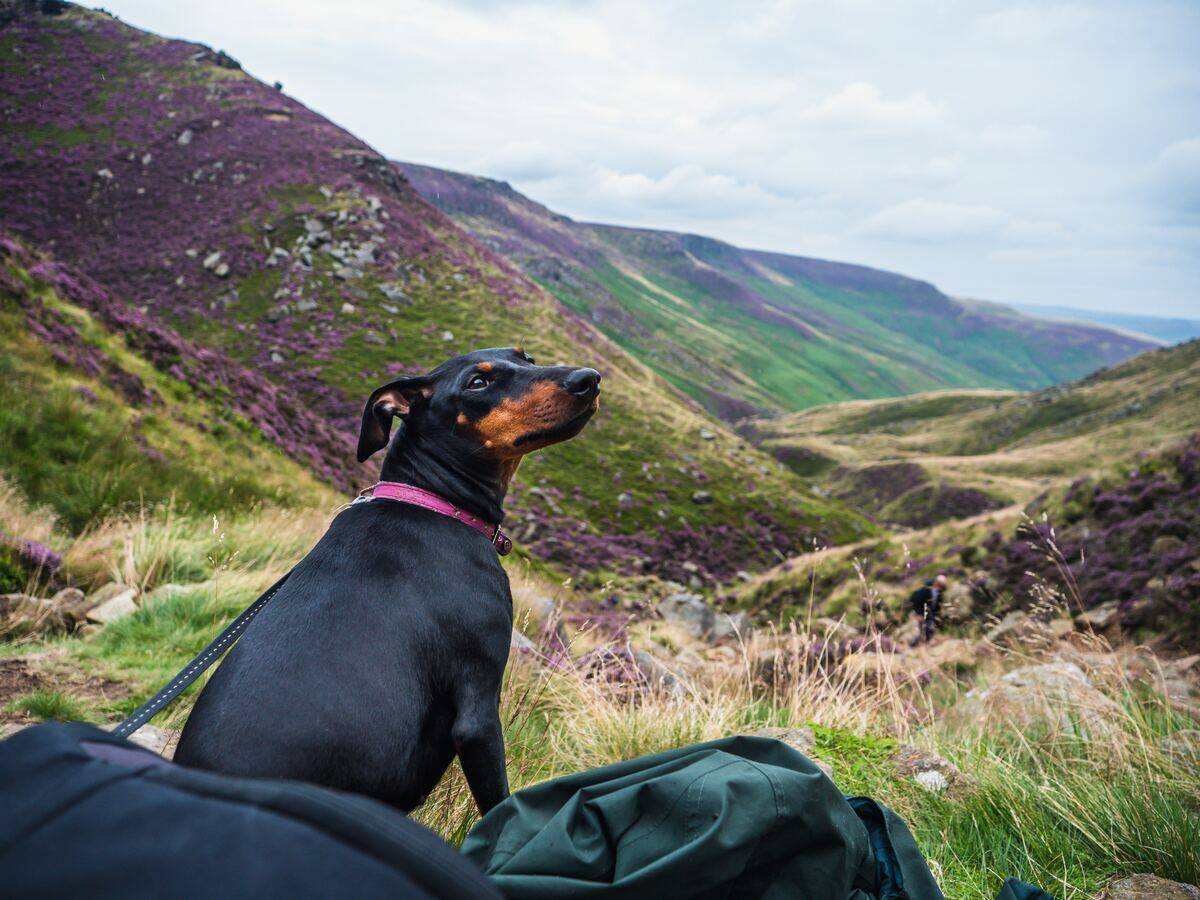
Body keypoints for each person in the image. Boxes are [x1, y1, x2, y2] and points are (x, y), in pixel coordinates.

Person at [907, 574, 947, 646]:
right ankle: (914, 646)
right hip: (920, 614)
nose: (942, 586)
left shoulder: (940, 593)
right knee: (920, 631)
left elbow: (937, 606)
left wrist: (937, 617)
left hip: (930, 615)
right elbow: (916, 602)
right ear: (937, 582)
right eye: (941, 584)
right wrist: (918, 614)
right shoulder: (925, 590)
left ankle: (922, 645)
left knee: (929, 630)